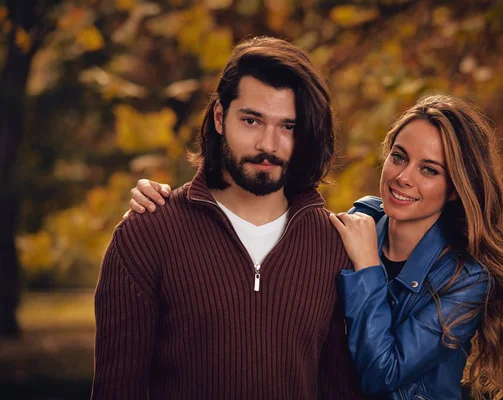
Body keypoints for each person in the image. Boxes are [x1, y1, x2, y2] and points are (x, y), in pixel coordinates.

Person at [130, 95, 503, 399]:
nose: (403, 177)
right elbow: (258, 222)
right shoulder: (353, 223)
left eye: (429, 170)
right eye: (399, 157)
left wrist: (368, 268)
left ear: (455, 190)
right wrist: (169, 205)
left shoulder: (465, 277)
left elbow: (384, 375)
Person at [92, 36, 365, 400]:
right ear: (220, 116)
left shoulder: (333, 244)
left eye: (288, 127)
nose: (269, 144)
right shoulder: (147, 234)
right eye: (252, 120)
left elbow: (338, 390)